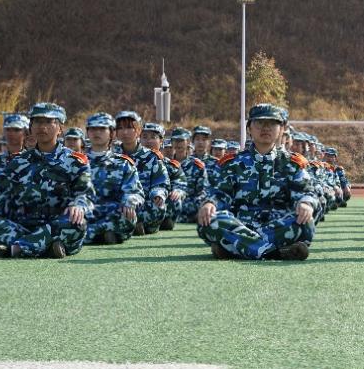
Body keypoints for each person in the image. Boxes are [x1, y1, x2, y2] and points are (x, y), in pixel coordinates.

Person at [197, 104, 317, 260]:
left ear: (281, 129)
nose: (265, 128)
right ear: (249, 128)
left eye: (272, 123)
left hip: (277, 227)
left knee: (305, 222)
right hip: (239, 225)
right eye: (260, 123)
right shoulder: (232, 163)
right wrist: (210, 203)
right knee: (209, 219)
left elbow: (306, 192)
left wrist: (305, 203)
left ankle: (237, 248)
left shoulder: (292, 164)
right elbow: (220, 193)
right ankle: (274, 253)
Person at [0, 102, 93, 258]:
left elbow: (86, 194)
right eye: (37, 122)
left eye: (48, 122)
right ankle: (45, 247)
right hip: (23, 225)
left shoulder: (76, 162)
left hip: (56, 225)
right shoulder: (18, 161)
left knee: (76, 222)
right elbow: (5, 195)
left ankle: (11, 250)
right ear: (31, 127)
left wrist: (78, 204)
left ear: (60, 128)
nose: (42, 127)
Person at [83, 112, 143, 245]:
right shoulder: (76, 162)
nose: (97, 132)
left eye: (102, 129)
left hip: (112, 212)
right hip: (86, 211)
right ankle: (102, 233)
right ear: (87, 133)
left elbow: (134, 191)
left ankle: (87, 234)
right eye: (93, 129)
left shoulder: (123, 163)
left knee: (127, 215)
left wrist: (129, 201)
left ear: (111, 133)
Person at [115, 111, 169, 235]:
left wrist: (158, 194)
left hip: (144, 203)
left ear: (138, 130)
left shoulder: (151, 156)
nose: (125, 132)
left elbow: (161, 182)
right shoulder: (112, 156)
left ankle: (139, 225)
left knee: (158, 206)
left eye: (129, 128)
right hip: (120, 204)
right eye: (120, 128)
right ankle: (130, 225)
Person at [140, 122, 184, 230]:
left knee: (175, 200)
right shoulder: (131, 161)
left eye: (153, 137)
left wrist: (177, 191)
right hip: (137, 201)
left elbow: (180, 181)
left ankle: (165, 221)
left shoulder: (170, 165)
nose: (148, 141)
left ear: (161, 141)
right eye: (144, 137)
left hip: (159, 201)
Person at [0, 114, 29, 203]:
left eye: (16, 130)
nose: (11, 133)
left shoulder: (33, 160)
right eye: (8, 129)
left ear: (25, 133)